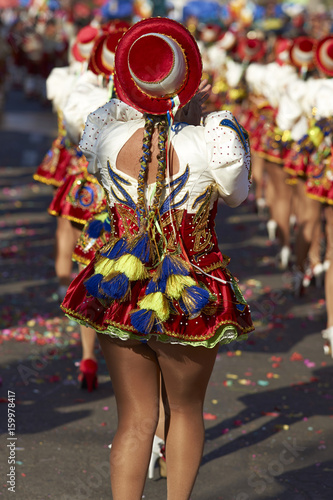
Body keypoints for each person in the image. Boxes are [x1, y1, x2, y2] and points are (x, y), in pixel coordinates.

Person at [61, 17, 253, 500]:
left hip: (119, 288)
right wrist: (201, 114)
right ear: (189, 83)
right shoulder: (213, 138)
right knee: (185, 412)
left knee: (134, 420)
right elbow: (238, 195)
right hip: (192, 290)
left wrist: (164, 101)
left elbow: (117, 113)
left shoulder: (106, 132)